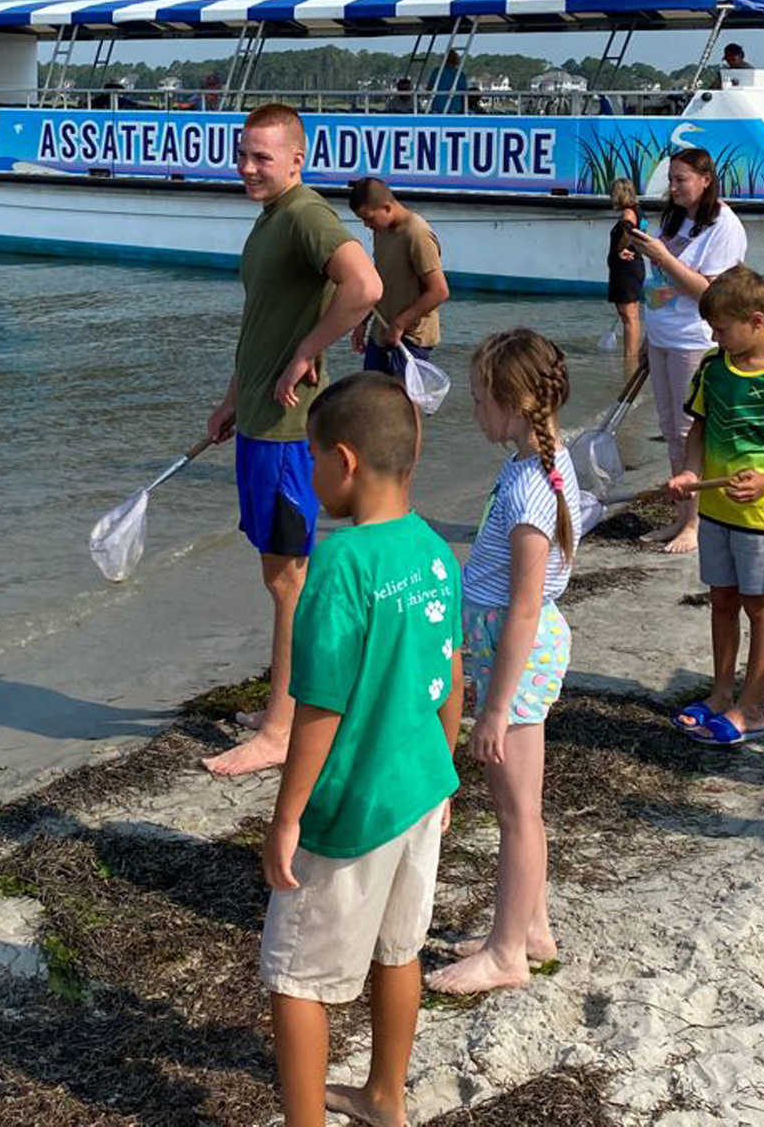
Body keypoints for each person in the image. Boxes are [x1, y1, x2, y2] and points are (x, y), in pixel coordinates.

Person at [260, 371, 463, 1127]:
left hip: (353, 808)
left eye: (312, 457)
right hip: (419, 789)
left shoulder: (341, 566)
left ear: (343, 460)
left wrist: (287, 818)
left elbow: (319, 707)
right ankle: (385, 1095)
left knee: (296, 978)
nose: (310, 474)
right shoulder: (434, 548)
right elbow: (450, 677)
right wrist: (444, 778)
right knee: (397, 948)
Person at [204, 104, 383, 778]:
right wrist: (229, 400)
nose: (248, 167)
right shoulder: (271, 219)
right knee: (280, 574)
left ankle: (282, 729)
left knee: (287, 578)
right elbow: (261, 323)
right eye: (243, 154)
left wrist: (309, 349)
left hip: (285, 430)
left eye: (262, 157)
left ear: (297, 160)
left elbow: (366, 284)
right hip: (256, 419)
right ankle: (285, 703)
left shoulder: (306, 214)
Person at [428, 329, 581, 995]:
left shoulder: (528, 491)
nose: (474, 410)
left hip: (515, 656)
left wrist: (494, 706)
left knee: (518, 811)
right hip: (511, 647)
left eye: (481, 398)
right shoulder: (540, 462)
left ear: (517, 403)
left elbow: (523, 606)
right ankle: (532, 928)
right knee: (520, 804)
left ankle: (506, 953)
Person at [667, 267, 764, 746]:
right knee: (722, 599)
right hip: (715, 510)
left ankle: (753, 706)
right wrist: (691, 473)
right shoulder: (713, 367)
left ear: (756, 320)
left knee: (759, 605)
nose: (715, 336)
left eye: (721, 329)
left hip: (760, 516)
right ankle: (720, 692)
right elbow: (699, 430)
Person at [624, 147, 747, 552]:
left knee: (688, 431)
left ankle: (694, 525)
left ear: (706, 180)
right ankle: (681, 518)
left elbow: (710, 292)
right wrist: (646, 336)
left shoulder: (724, 225)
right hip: (662, 333)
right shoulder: (678, 217)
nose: (673, 187)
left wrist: (662, 256)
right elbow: (659, 286)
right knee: (669, 432)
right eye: (671, 179)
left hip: (695, 339)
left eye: (681, 180)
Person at [345, 178, 447, 379]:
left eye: (369, 218)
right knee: (371, 393)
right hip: (382, 330)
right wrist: (362, 321)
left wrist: (400, 324)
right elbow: (380, 276)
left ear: (387, 207)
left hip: (411, 336)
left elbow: (439, 291)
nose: (366, 225)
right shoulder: (381, 230)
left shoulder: (416, 234)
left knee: (403, 401)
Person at [604, 180, 646, 385]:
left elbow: (628, 231)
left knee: (629, 317)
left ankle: (630, 359)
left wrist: (620, 249)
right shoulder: (638, 211)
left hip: (627, 271)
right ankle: (631, 357)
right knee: (630, 316)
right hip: (632, 269)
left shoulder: (629, 213)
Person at [427, 51, 469, 115]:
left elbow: (429, 88)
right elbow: (463, 92)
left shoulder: (437, 72)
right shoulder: (459, 74)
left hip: (437, 107)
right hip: (454, 108)